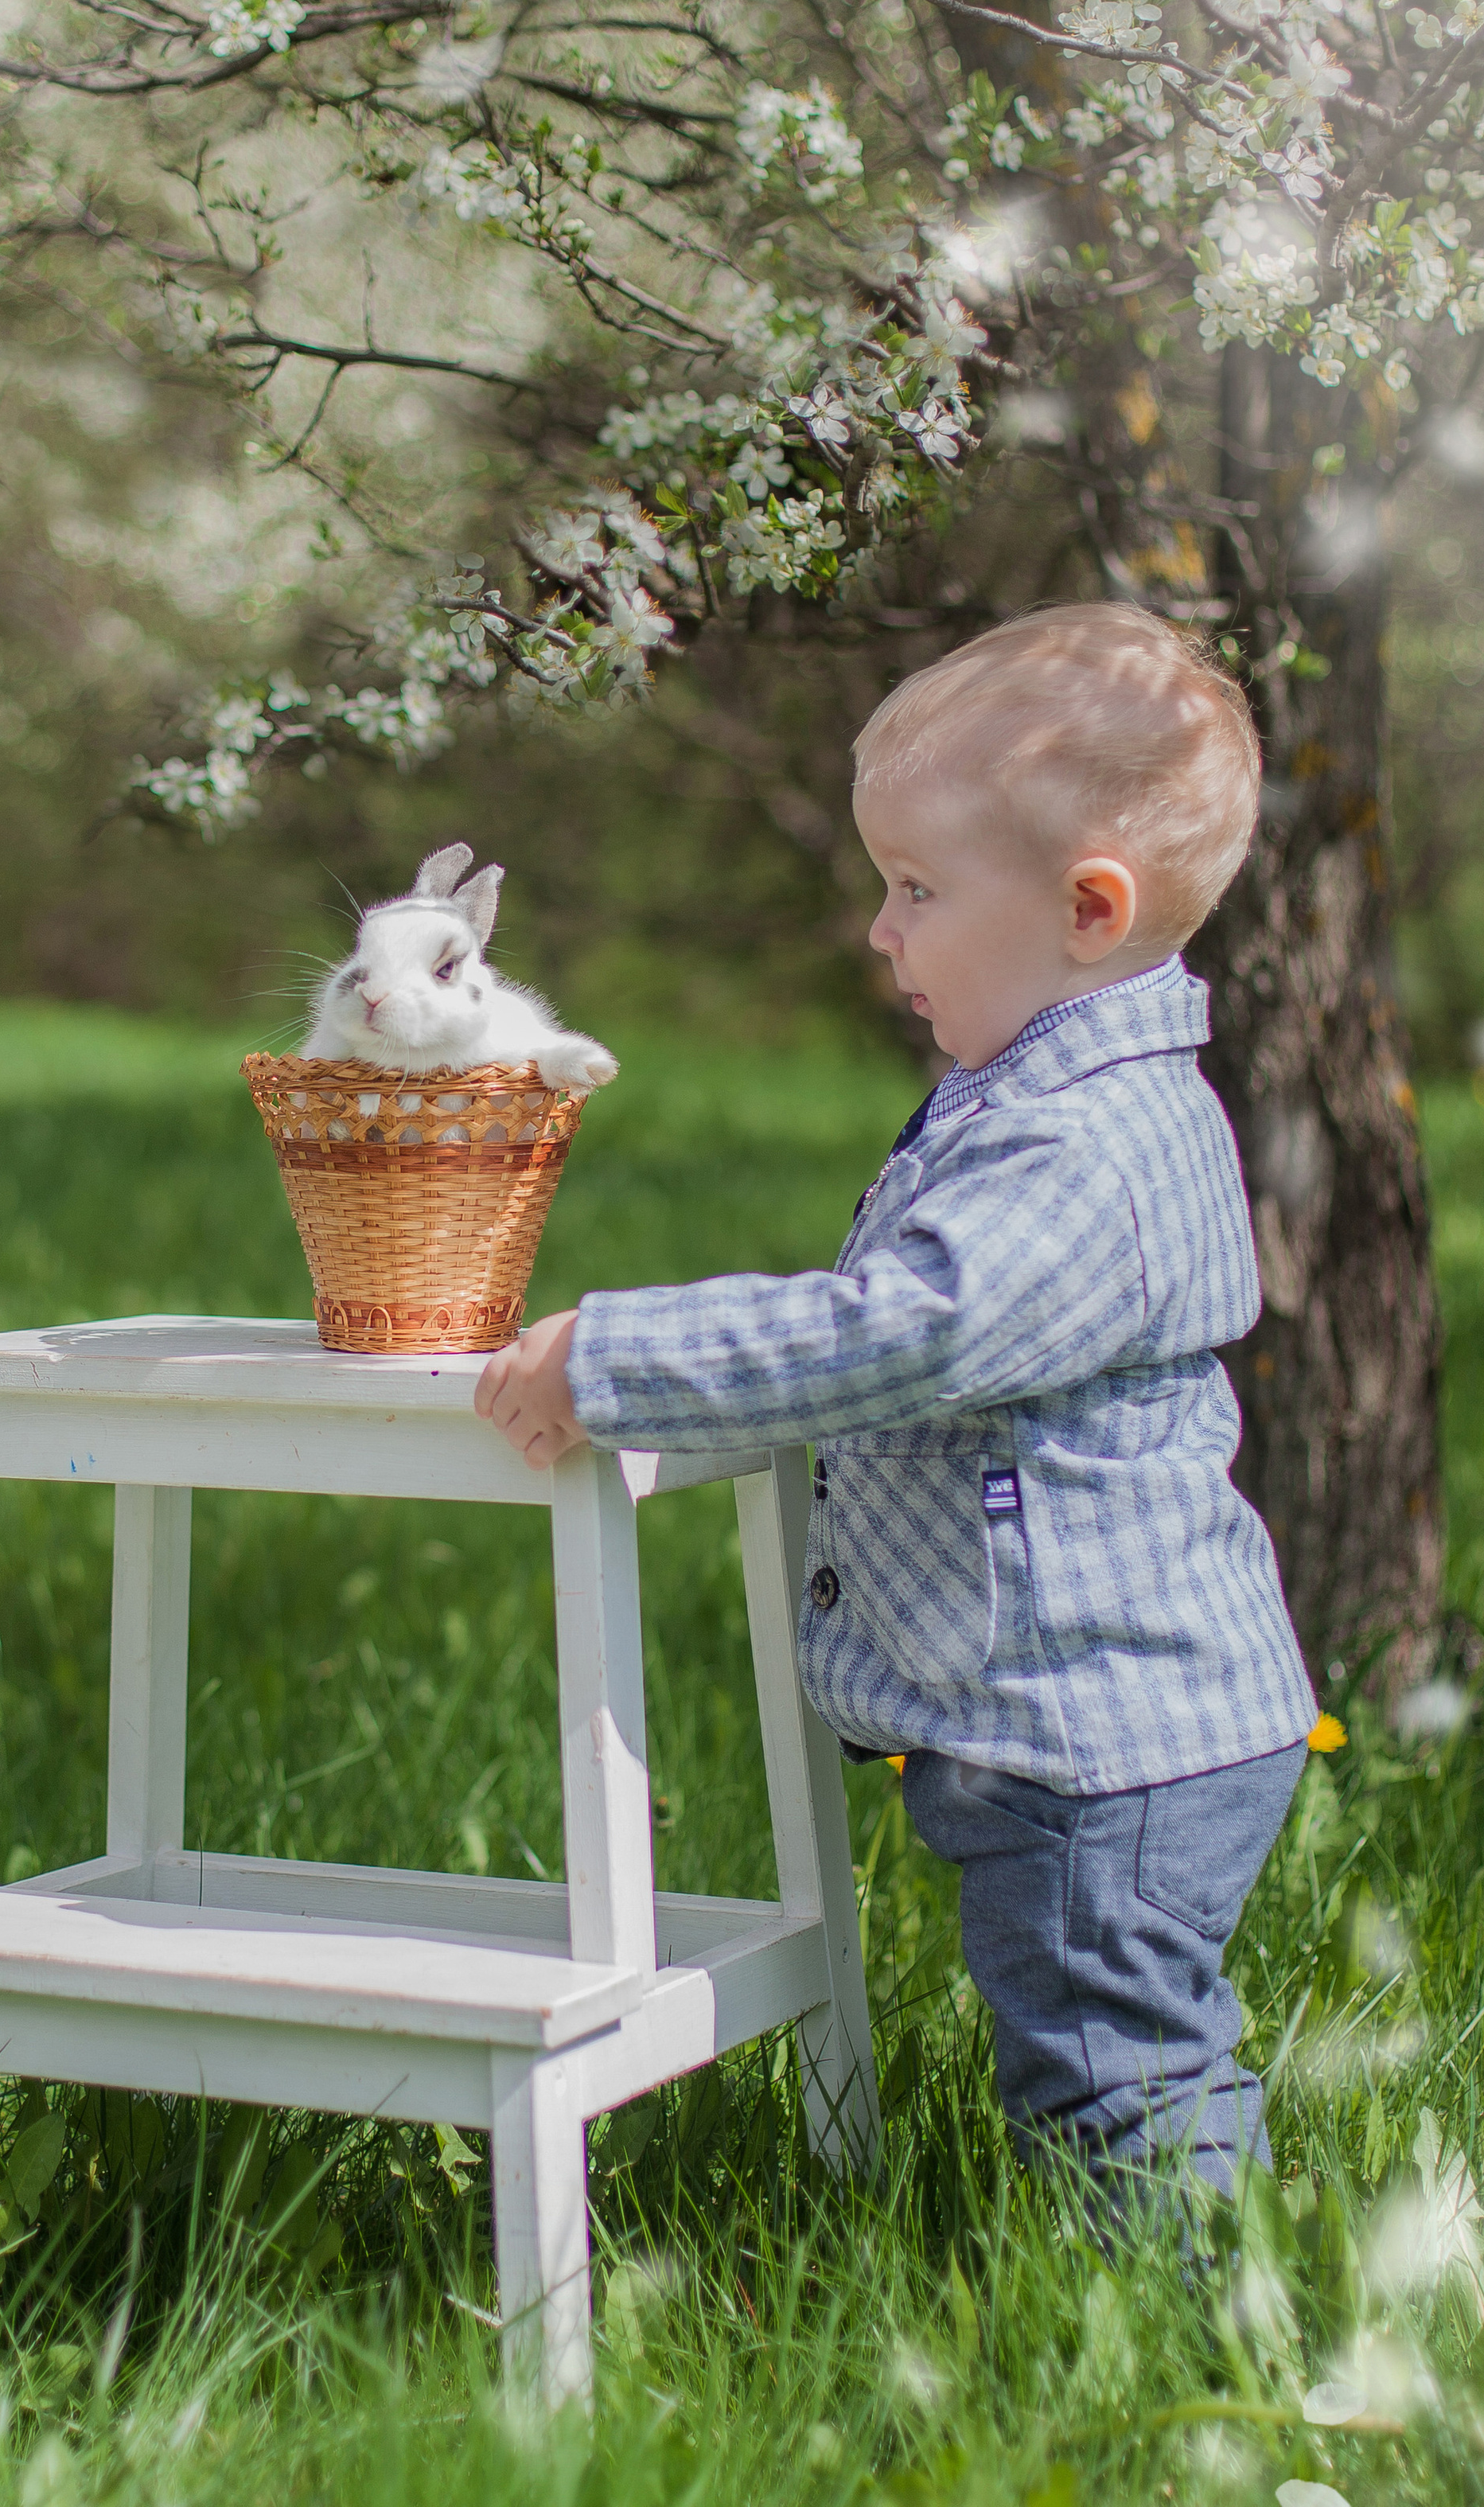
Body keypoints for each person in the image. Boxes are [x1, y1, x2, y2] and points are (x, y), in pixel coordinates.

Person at [475, 602, 1315, 2202]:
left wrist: (612, 1361)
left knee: (1109, 2074)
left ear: (1087, 910)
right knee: (1114, 2041)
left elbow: (899, 1335)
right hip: (1084, 1719)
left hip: (1096, 1739)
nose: (879, 931)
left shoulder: (1083, 1148)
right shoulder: (1049, 1096)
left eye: (917, 891)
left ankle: (1194, 2365)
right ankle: (1214, 2308)